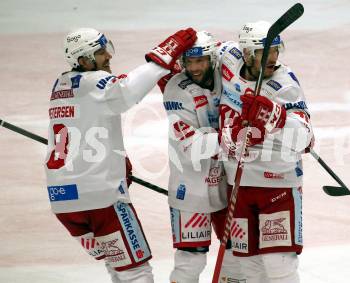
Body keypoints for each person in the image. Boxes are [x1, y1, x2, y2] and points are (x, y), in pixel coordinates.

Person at [44, 27, 196, 283]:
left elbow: (84, 128)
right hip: (100, 199)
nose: (108, 57)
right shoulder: (94, 83)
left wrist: (114, 161)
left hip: (63, 202)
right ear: (83, 61)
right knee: (135, 271)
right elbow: (127, 91)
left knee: (118, 266)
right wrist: (164, 55)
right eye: (101, 52)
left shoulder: (60, 84)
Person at [217, 21, 314, 283]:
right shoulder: (229, 57)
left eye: (276, 50)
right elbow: (202, 53)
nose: (274, 57)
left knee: (279, 266)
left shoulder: (285, 85)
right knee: (249, 267)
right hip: (239, 186)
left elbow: (305, 138)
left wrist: (275, 116)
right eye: (266, 52)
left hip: (278, 186)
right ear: (247, 53)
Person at [162, 31, 243, 283]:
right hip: (191, 187)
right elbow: (192, 145)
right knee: (191, 259)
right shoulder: (177, 89)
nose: (195, 68)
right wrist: (233, 136)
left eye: (201, 61)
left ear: (212, 59)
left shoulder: (224, 75)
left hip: (225, 182)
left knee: (237, 254)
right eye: (189, 62)